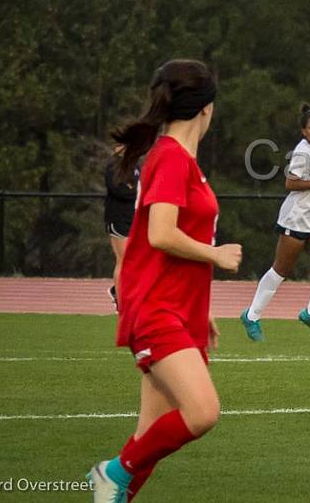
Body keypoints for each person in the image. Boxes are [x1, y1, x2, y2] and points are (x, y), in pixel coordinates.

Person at [87, 59, 243, 501]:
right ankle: (112, 473)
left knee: (150, 437)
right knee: (202, 412)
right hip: (156, 308)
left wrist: (201, 306)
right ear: (207, 109)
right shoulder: (171, 157)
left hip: (180, 307)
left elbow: (178, 239)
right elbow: (160, 234)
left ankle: (115, 485)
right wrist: (217, 254)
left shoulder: (178, 159)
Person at [241, 104, 310, 341]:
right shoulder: (302, 151)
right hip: (295, 218)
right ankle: (252, 316)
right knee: (281, 270)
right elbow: (291, 183)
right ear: (303, 132)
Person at [104, 146, 140, 310]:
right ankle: (122, 304)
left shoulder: (136, 166)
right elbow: (120, 191)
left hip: (133, 218)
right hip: (118, 219)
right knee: (123, 260)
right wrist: (136, 191)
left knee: (135, 260)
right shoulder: (113, 166)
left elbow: (138, 188)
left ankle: (117, 290)